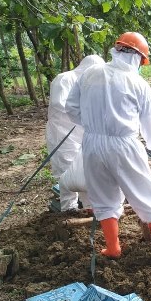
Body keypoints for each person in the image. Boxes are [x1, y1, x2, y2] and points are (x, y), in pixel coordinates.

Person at [65, 31, 151, 259]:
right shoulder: (138, 83)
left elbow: (71, 108)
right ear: (139, 57)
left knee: (103, 195)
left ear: (117, 49)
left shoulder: (90, 73)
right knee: (145, 192)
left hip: (92, 144)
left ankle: (113, 248)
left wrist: (92, 126)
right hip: (124, 145)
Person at [46, 54, 104, 211]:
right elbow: (60, 104)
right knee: (66, 176)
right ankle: (68, 211)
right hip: (62, 134)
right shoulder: (64, 79)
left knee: (84, 173)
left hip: (81, 134)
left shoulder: (90, 83)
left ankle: (88, 208)